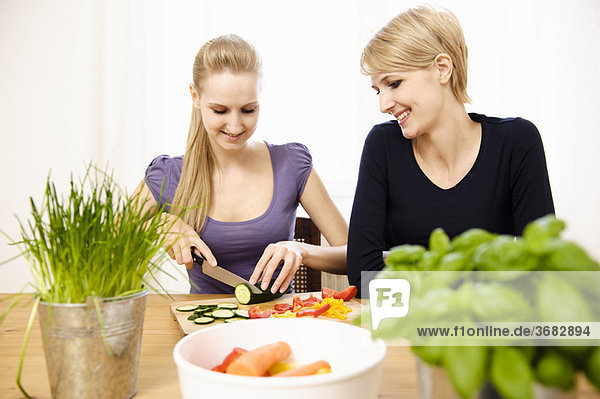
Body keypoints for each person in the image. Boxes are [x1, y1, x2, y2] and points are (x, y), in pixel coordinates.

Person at [347, 6, 555, 297]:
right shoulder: (382, 145)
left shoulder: (517, 142)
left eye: (394, 83)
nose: (384, 105)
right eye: (377, 90)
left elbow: (544, 267)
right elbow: (361, 272)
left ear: (442, 68)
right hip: (410, 333)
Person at [132, 34, 348, 294]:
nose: (235, 126)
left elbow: (352, 254)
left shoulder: (291, 165)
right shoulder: (169, 175)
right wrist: (155, 226)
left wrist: (300, 249)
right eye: (220, 111)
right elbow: (100, 249)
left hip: (280, 321)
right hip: (202, 326)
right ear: (195, 97)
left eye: (248, 110)